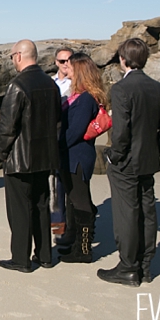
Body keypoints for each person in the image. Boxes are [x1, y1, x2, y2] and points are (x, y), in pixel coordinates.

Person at [99, 38, 160, 287]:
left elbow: (121, 132)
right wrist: (157, 150)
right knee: (146, 211)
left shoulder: (121, 89)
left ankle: (128, 267)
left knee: (126, 214)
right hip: (147, 159)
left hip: (127, 162)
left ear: (123, 59)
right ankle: (145, 266)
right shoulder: (156, 87)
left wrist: (114, 155)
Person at [0, 40, 62, 272]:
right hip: (44, 157)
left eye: (12, 56)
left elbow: (8, 127)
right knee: (41, 205)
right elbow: (57, 122)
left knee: (20, 209)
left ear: (18, 56)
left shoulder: (17, 86)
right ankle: (44, 255)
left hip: (20, 158)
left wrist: (2, 153)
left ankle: (21, 259)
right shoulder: (50, 84)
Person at [57, 52, 106, 263]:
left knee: (81, 202)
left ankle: (84, 249)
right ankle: (77, 243)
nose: (68, 69)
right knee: (75, 201)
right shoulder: (78, 95)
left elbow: (75, 131)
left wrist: (56, 145)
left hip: (77, 156)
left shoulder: (86, 98)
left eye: (72, 66)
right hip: (71, 156)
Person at [49, 47, 73, 239]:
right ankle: (57, 227)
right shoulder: (50, 83)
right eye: (62, 61)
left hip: (72, 139)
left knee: (70, 185)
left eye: (69, 60)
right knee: (55, 186)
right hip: (53, 139)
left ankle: (71, 228)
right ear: (56, 62)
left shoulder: (79, 84)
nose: (66, 64)